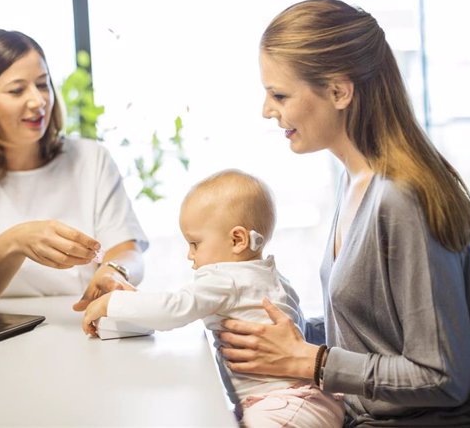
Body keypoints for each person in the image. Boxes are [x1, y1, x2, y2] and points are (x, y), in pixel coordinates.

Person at [218, 0, 470, 427]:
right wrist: (286, 339)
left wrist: (311, 360)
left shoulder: (403, 198)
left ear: (339, 91)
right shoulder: (353, 179)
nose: (267, 110)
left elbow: (443, 376)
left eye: (279, 94)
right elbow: (372, 336)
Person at [82, 169, 346, 428]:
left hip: (286, 404)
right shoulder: (266, 276)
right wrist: (136, 306)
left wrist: (112, 303)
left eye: (195, 243)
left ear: (237, 240)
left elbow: (175, 308)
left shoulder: (226, 278)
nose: (189, 254)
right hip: (304, 400)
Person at [0, 29, 148, 312]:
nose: (38, 101)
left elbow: (127, 250)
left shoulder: (92, 158)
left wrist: (114, 271)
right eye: (17, 90)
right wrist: (16, 241)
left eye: (43, 85)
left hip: (78, 320)